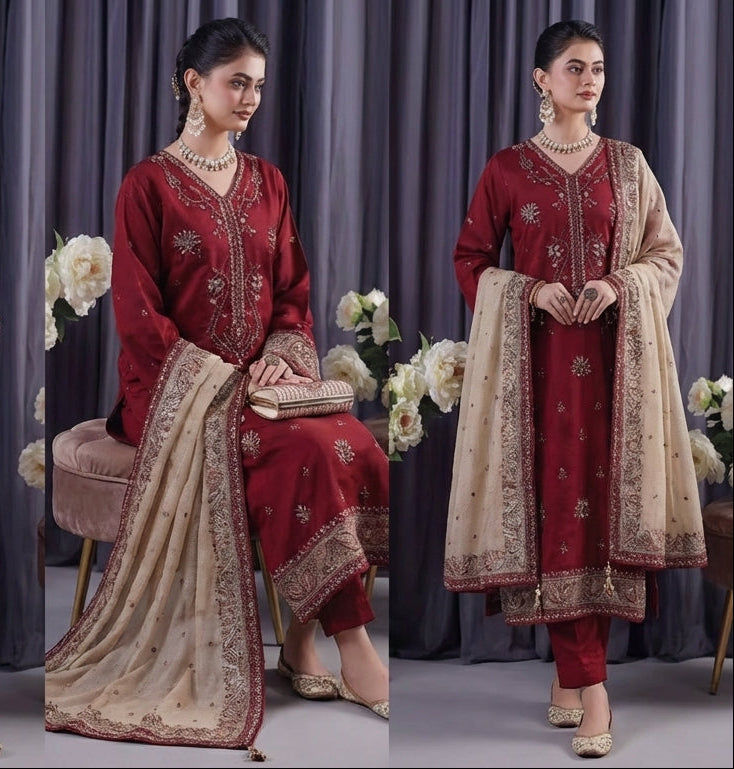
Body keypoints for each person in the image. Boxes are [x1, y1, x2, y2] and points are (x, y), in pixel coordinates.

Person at [45, 17, 389, 755]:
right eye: (238, 82)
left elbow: (292, 291)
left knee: (350, 440)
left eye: (259, 85)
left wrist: (283, 357)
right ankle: (355, 648)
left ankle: (301, 643)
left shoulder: (268, 182)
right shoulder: (147, 186)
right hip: (175, 388)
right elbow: (139, 318)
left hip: (266, 380)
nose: (252, 97)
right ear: (192, 83)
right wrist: (226, 381)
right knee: (301, 448)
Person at [443, 20, 706, 758]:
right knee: (556, 508)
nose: (588, 80)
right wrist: (529, 292)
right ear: (540, 80)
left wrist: (615, 283)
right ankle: (593, 688)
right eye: (572, 67)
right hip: (536, 372)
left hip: (616, 369)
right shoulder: (507, 170)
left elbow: (667, 252)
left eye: (596, 68)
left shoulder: (628, 165)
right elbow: (470, 258)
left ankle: (574, 673)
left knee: (599, 510)